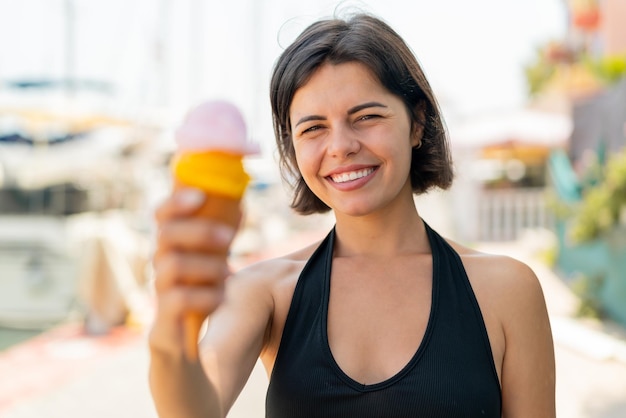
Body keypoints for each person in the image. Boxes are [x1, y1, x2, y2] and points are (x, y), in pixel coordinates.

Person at [149, 12, 556, 418]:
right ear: (292, 147)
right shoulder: (265, 292)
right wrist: (172, 330)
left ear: (417, 123)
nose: (341, 146)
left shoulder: (506, 290)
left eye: (366, 117)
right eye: (313, 128)